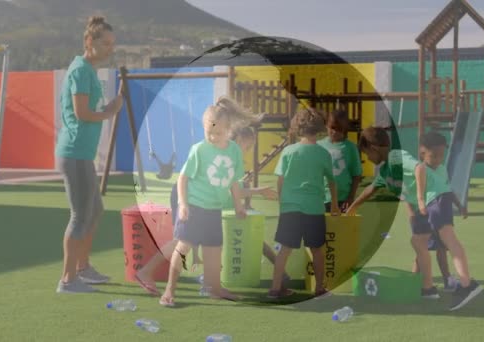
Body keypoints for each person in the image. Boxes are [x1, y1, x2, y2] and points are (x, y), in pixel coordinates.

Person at [134, 125, 285, 296]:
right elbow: (227, 188)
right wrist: (258, 192)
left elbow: (232, 189)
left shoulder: (228, 156)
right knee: (183, 240)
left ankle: (209, 284)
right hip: (189, 197)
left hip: (200, 200)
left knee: (204, 241)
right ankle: (147, 272)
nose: (247, 152)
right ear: (237, 141)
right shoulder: (218, 153)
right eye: (247, 147)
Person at [347, 128, 482, 311]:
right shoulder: (386, 170)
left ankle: (467, 285)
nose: (368, 158)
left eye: (367, 153)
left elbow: (418, 168)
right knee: (418, 241)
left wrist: (419, 198)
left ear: (374, 148)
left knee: (449, 240)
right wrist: (353, 206)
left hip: (435, 197)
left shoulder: (395, 156)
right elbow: (370, 189)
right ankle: (428, 289)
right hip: (429, 204)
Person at [158, 96, 257, 306]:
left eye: (218, 133)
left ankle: (215, 288)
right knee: (183, 247)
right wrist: (183, 204)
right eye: (208, 132)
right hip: (194, 208)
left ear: (229, 129)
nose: (212, 137)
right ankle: (169, 290)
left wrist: (239, 206)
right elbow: (182, 179)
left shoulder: (234, 151)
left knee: (214, 250)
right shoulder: (199, 150)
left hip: (214, 209)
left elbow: (233, 182)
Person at [55, 16, 123, 293]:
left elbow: (88, 111)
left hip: (83, 153)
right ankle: (68, 280)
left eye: (112, 44)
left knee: (95, 210)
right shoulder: (81, 70)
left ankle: (82, 268)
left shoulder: (88, 70)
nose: (110, 49)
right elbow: (82, 113)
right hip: (75, 153)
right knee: (80, 216)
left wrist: (111, 105)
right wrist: (109, 112)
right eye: (105, 43)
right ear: (89, 42)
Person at [268, 108, 340, 299]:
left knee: (285, 249)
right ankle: (319, 289)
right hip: (314, 209)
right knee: (317, 249)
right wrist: (333, 205)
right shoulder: (323, 153)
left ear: (297, 127)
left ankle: (275, 289)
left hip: (290, 207)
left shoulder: (288, 151)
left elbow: (280, 180)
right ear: (319, 128)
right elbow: (331, 182)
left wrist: (282, 202)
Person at [318, 109, 362, 212]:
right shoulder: (319, 146)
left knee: (341, 227)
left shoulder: (351, 147)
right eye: (332, 127)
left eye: (339, 129)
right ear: (326, 125)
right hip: (322, 199)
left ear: (345, 129)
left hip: (343, 200)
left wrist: (350, 198)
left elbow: (356, 175)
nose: (335, 132)